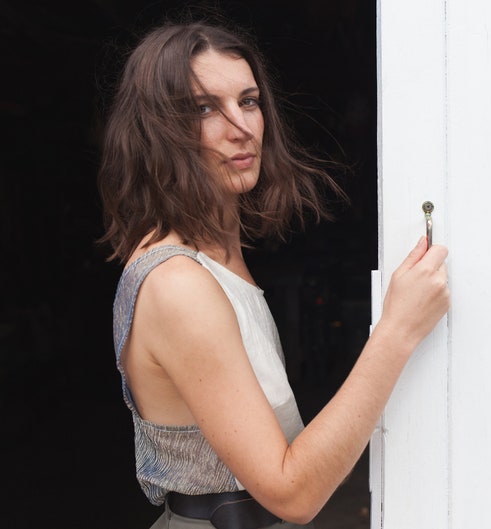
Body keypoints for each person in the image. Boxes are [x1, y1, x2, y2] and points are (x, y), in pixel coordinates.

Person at [97, 15, 450, 529]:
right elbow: (293, 493)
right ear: (156, 130)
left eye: (248, 101)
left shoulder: (214, 254)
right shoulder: (176, 283)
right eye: (203, 108)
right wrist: (398, 330)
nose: (241, 128)